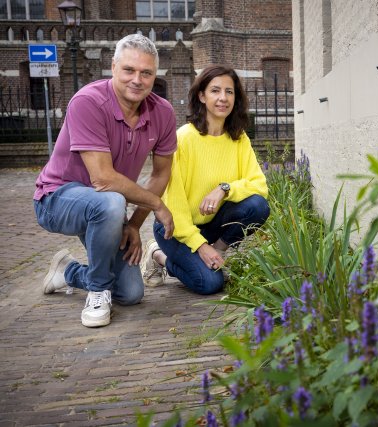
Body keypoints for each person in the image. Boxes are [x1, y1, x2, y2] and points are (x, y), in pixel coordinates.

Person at [33, 34, 177, 328]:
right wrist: (156, 205)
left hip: (105, 207)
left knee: (131, 293)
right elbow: (101, 179)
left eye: (146, 73)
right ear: (113, 67)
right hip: (57, 199)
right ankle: (97, 292)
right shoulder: (88, 101)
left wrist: (134, 224)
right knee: (111, 202)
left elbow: (161, 173)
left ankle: (68, 272)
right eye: (129, 70)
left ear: (154, 76)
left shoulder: (162, 112)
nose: (137, 80)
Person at [140, 64, 270, 295]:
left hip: (212, 224)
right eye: (215, 91)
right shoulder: (183, 139)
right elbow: (175, 206)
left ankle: (216, 250)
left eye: (229, 92)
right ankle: (157, 256)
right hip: (176, 228)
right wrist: (198, 246)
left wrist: (224, 189)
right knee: (210, 284)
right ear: (201, 96)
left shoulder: (238, 139)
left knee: (257, 206)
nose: (223, 98)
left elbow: (259, 186)